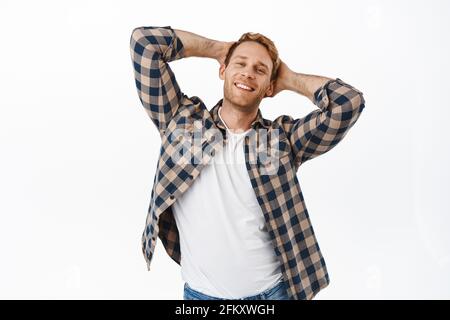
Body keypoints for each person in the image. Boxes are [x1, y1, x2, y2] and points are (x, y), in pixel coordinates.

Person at [129, 25, 365, 300]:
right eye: (239, 63)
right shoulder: (181, 122)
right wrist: (218, 50)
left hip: (273, 294)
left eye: (260, 70)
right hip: (200, 297)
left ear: (269, 87)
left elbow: (348, 103)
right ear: (223, 71)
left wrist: (288, 78)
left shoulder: (281, 140)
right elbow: (144, 43)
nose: (248, 73)